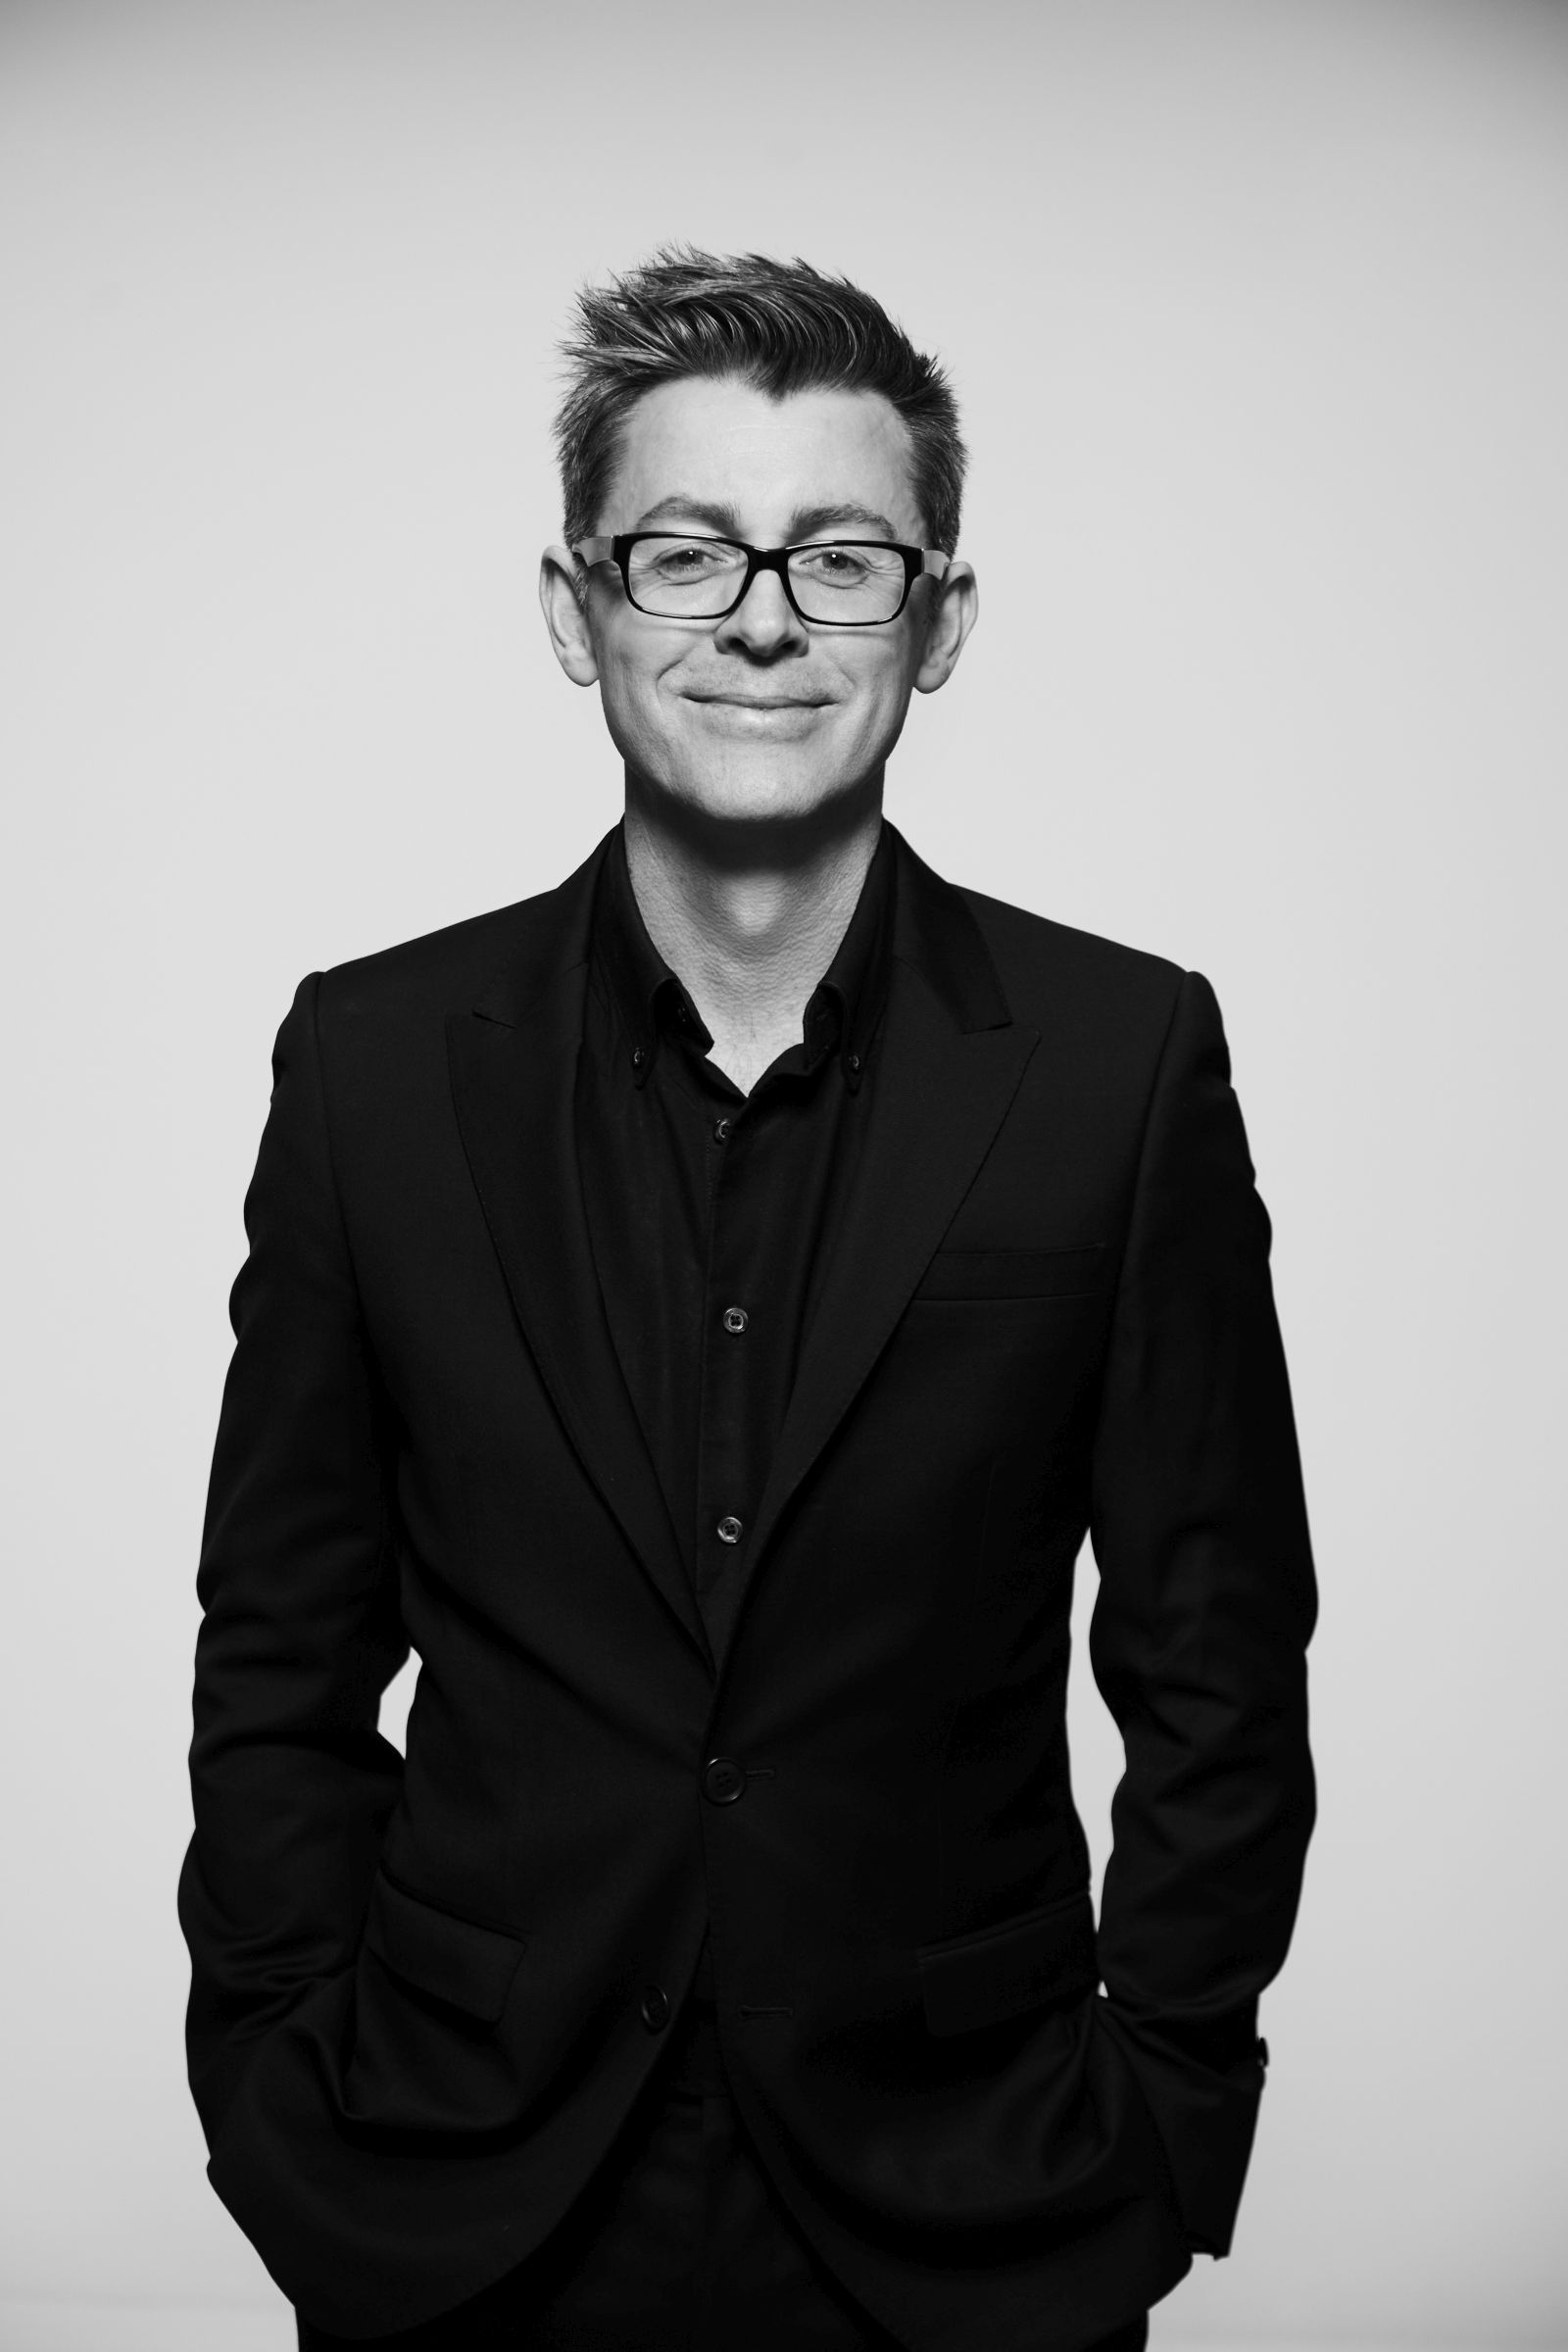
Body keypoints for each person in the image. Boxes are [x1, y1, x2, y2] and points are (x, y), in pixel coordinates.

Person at [179, 249, 1317, 2352]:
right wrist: (277, 2093)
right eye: (685, 553)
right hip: (457, 2193)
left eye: (842, 556)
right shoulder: (371, 1063)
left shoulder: (1116, 1065)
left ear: (937, 619)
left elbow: (1217, 1657)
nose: (764, 621)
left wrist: (1162, 2121)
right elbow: (280, 1645)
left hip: (971, 2204)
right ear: (574, 608)